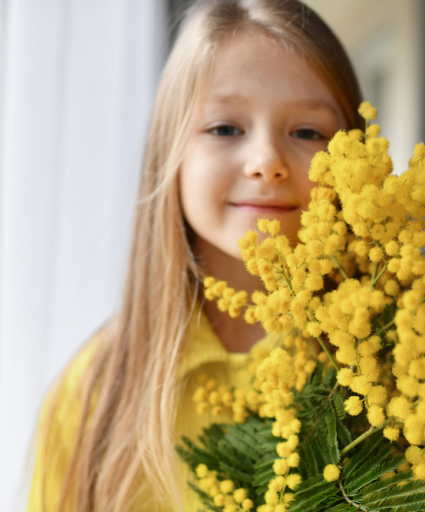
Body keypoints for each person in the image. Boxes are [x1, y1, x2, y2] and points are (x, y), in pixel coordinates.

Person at [26, 0, 363, 510]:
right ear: (171, 155)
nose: (266, 161)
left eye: (308, 132)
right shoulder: (93, 392)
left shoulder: (394, 372)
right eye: (226, 128)